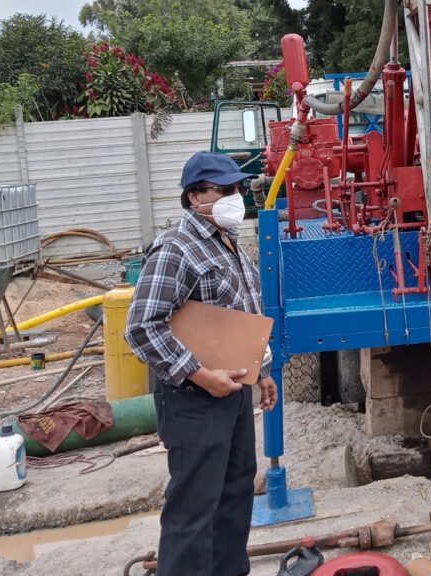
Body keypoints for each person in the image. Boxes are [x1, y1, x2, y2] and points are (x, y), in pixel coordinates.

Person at [126, 151, 278, 576]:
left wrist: (259, 372)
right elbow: (141, 327)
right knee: (193, 510)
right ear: (194, 197)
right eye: (224, 190)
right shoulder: (177, 248)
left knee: (234, 494)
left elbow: (237, 316)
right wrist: (199, 375)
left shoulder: (228, 242)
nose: (236, 197)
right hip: (193, 401)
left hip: (230, 395)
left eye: (238, 189)